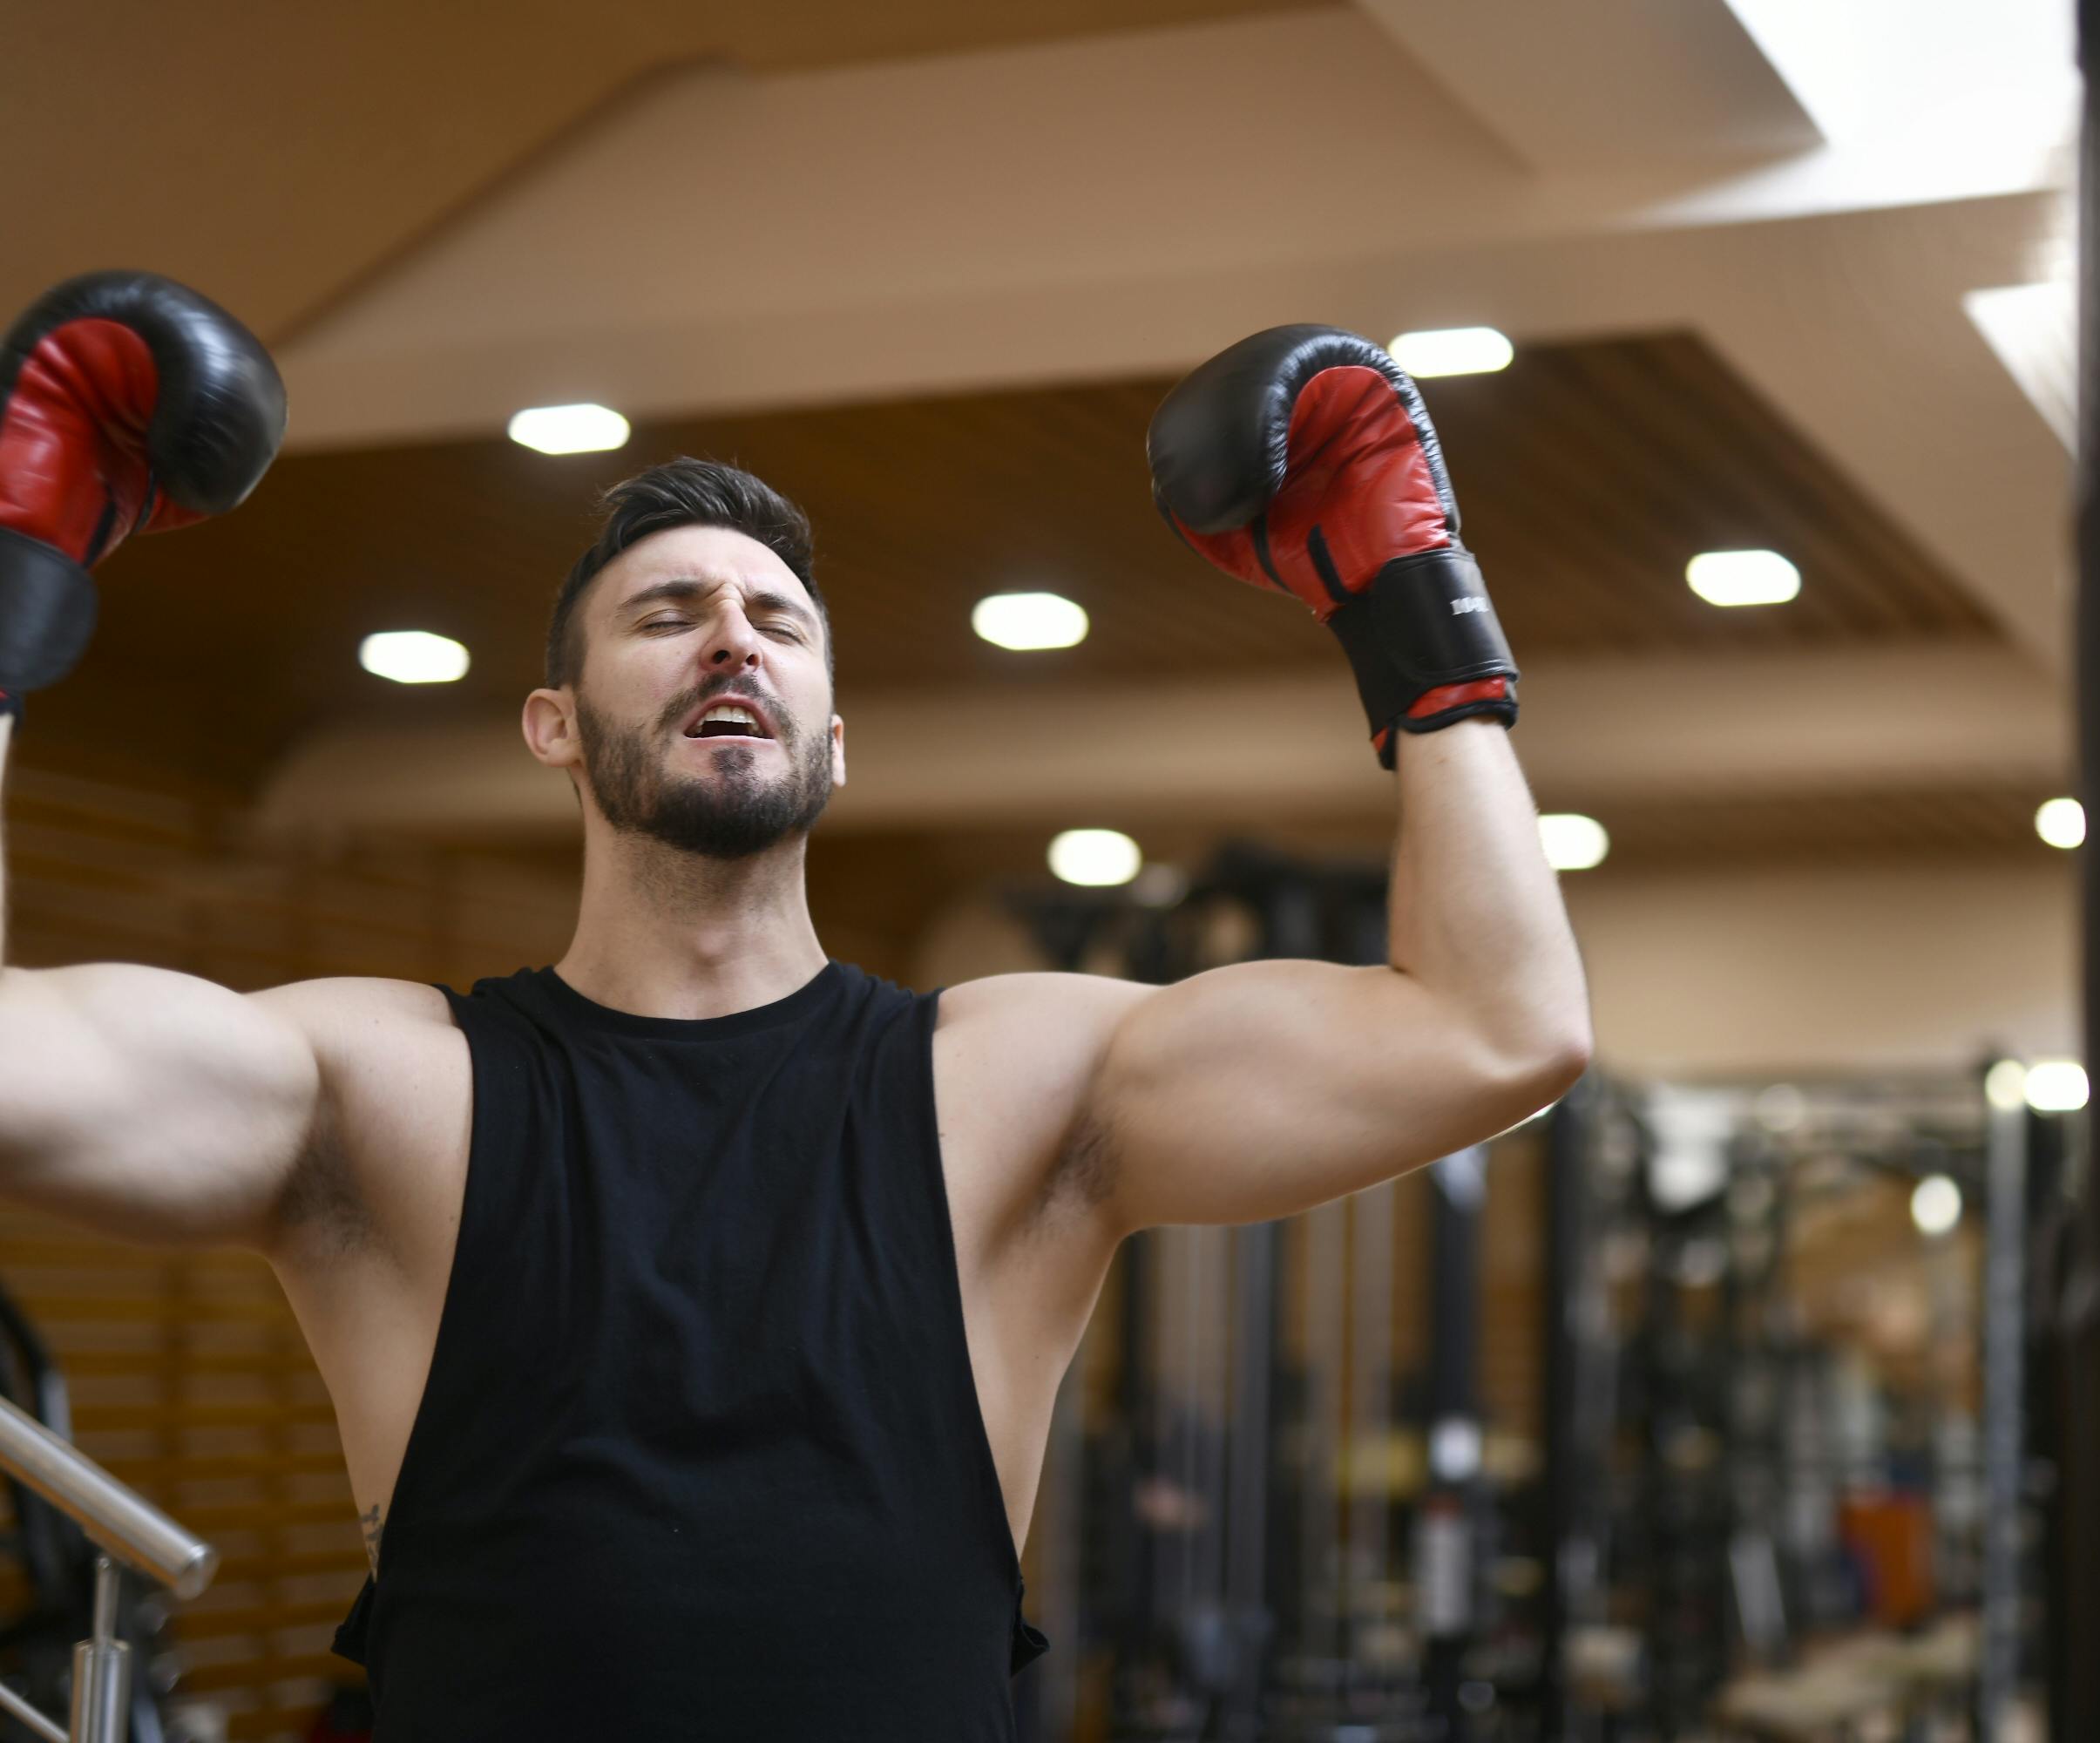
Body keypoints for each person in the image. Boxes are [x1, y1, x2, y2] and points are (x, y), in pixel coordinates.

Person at [0, 277, 1590, 1738]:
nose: (730, 638)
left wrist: (1413, 613)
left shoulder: (1012, 1083)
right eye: (665, 612)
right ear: (554, 725)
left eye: (777, 621)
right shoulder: (389, 1084)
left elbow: (1496, 1033)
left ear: (835, 744)